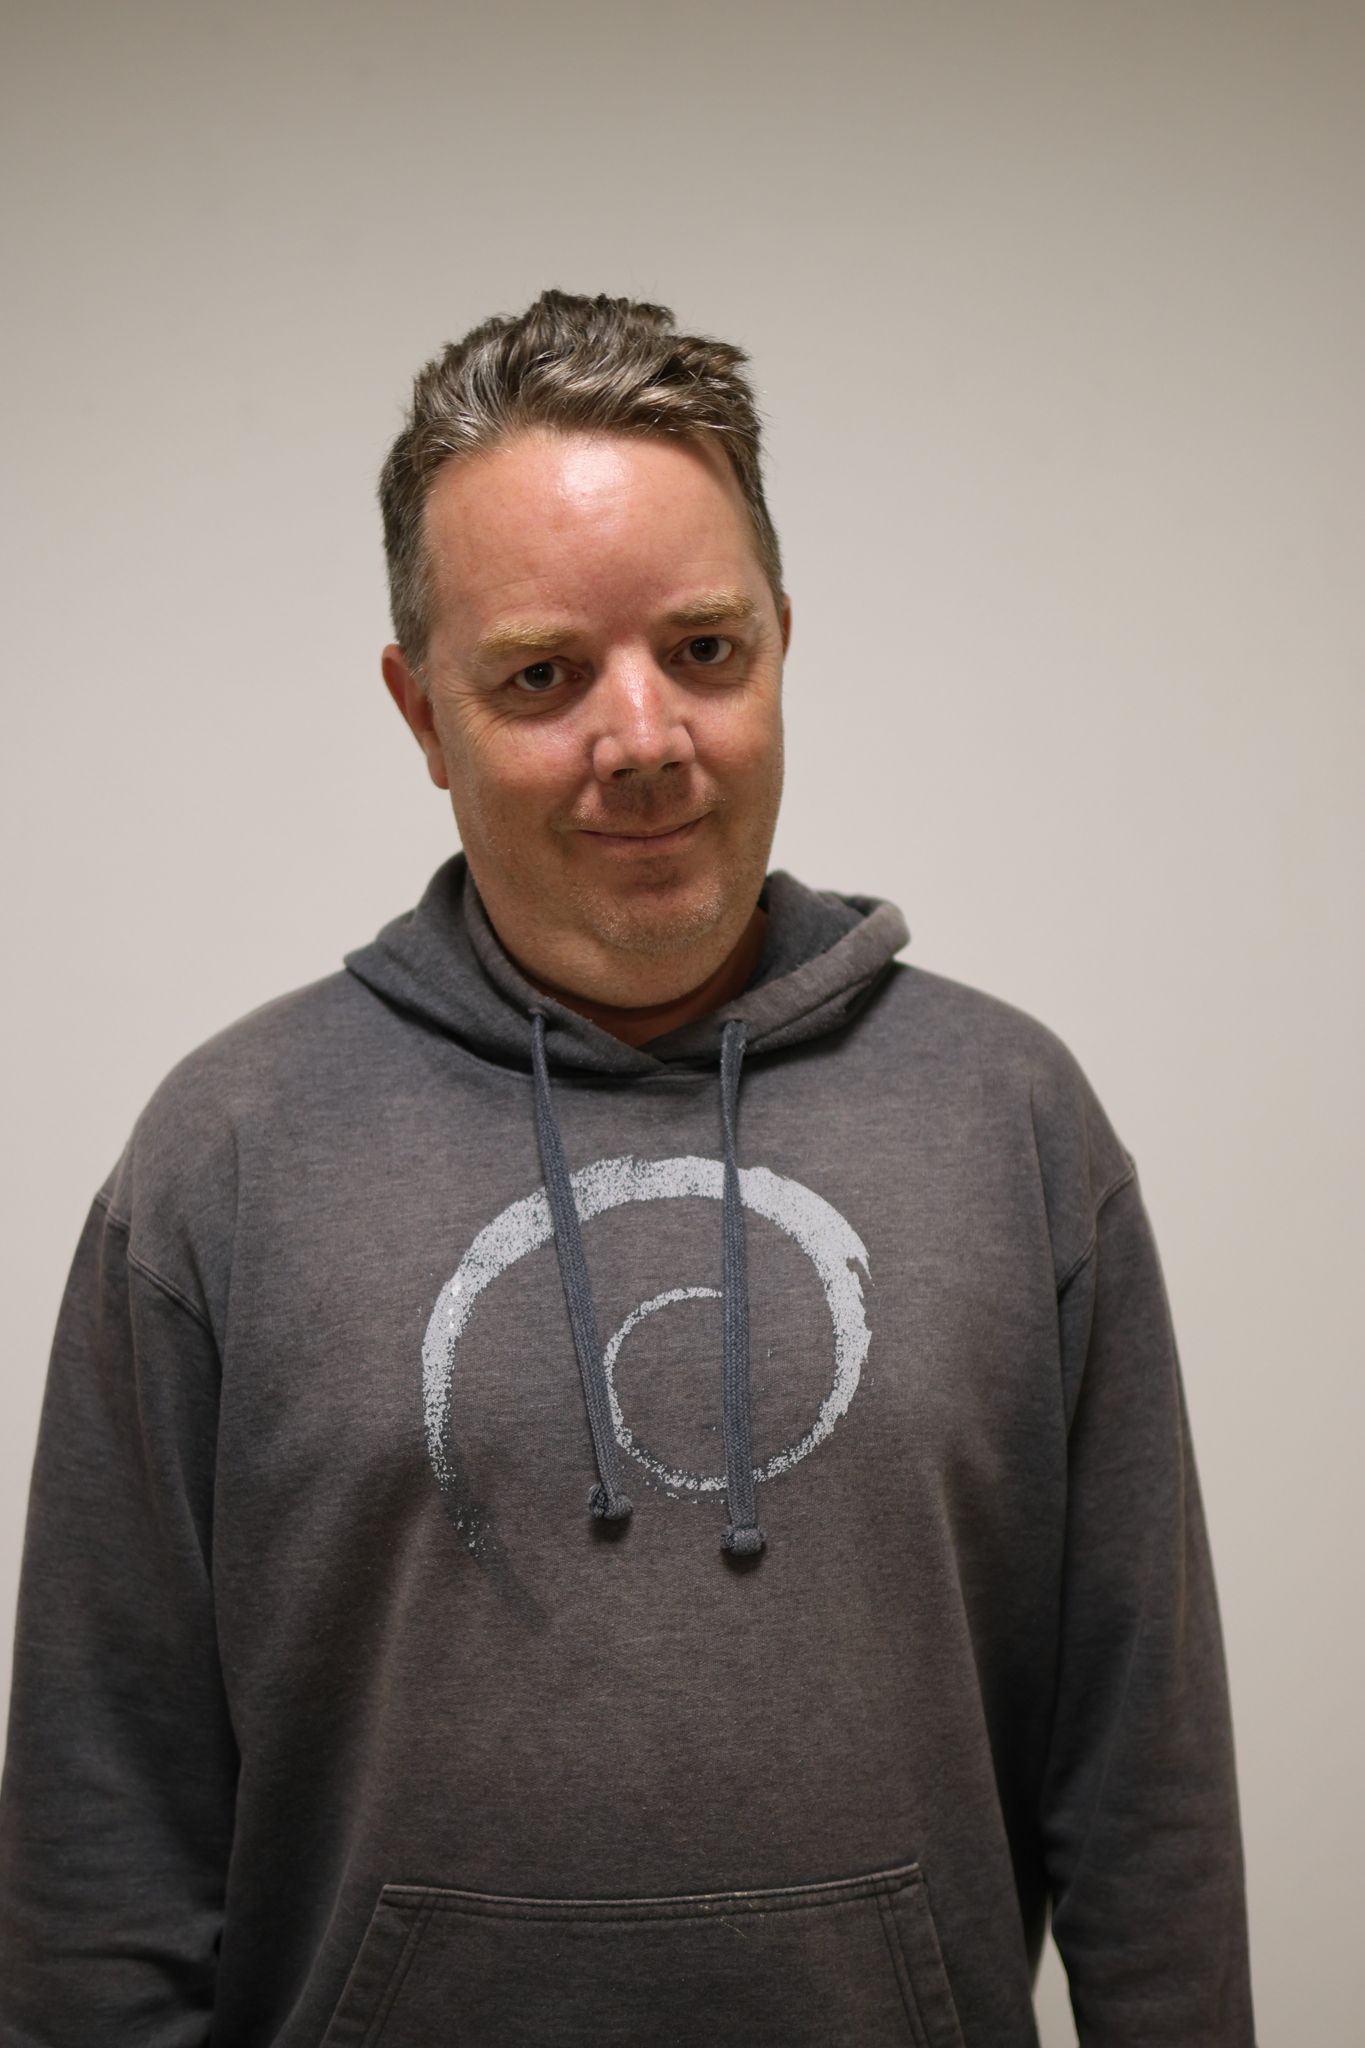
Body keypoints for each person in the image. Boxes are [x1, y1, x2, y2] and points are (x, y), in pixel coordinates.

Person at [0, 289, 1257, 2046]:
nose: (645, 740)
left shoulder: (1013, 1122)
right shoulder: (227, 1155)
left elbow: (1145, 1795)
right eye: (542, 675)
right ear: (421, 714)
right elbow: (100, 1832)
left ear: (781, 645)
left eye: (704, 651)